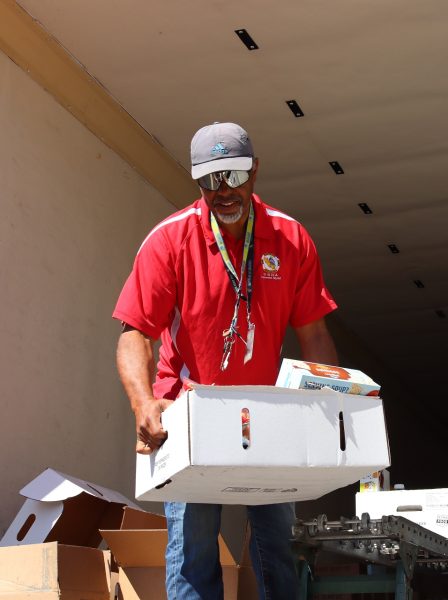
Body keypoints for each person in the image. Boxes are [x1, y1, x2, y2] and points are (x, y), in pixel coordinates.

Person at [113, 122, 338, 600]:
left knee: (278, 545)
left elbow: (314, 332)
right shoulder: (170, 240)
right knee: (194, 545)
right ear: (197, 181)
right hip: (191, 413)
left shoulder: (290, 238)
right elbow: (136, 333)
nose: (224, 190)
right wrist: (143, 403)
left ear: (255, 171)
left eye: (234, 175)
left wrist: (330, 399)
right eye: (210, 180)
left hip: (266, 414)